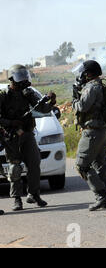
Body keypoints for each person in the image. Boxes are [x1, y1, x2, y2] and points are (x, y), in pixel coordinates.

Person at [0, 65, 56, 211]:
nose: (24, 79)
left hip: (27, 133)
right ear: (12, 78)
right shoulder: (4, 95)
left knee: (34, 163)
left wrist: (51, 102)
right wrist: (11, 123)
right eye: (21, 76)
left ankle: (34, 194)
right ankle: (17, 199)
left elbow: (42, 108)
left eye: (25, 76)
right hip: (11, 135)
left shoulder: (28, 93)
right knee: (15, 168)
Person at [72, 60, 106, 211]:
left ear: (88, 74)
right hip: (102, 130)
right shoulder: (100, 85)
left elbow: (82, 106)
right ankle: (103, 198)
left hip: (92, 132)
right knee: (100, 165)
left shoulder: (91, 87)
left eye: (83, 73)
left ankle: (101, 195)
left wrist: (74, 100)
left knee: (81, 165)